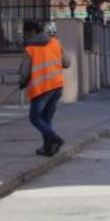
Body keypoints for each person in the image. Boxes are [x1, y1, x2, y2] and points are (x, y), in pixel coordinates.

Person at [19, 21, 71, 157]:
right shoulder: (55, 42)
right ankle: (48, 148)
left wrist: (22, 82)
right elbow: (67, 62)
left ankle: (55, 138)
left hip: (41, 88)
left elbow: (25, 71)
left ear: (32, 32)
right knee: (46, 118)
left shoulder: (30, 48)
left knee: (35, 118)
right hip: (57, 86)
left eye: (26, 33)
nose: (26, 36)